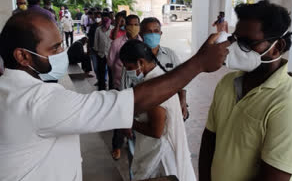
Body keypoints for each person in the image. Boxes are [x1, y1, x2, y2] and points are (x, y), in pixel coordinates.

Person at [0, 11, 229, 181]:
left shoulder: (9, 90)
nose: (63, 53)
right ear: (23, 56)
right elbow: (131, 102)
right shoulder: (37, 102)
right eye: (55, 48)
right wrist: (199, 63)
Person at [199, 0, 292, 181]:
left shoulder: (288, 105)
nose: (237, 48)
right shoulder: (228, 83)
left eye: (249, 43)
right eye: (236, 40)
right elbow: (209, 140)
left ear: (277, 48)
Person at [120, 40, 196, 181]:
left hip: (161, 158)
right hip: (162, 151)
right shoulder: (159, 77)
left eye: (129, 67)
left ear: (141, 62)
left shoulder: (154, 88)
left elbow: (156, 131)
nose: (128, 71)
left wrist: (128, 122)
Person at [107, 15, 142, 160]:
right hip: (119, 85)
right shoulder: (117, 43)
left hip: (138, 86)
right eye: (130, 24)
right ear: (125, 26)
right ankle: (117, 146)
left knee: (136, 115)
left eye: (136, 24)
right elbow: (110, 62)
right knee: (120, 116)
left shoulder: (143, 42)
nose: (133, 27)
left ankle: (134, 140)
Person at [94, 12, 113, 90]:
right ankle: (101, 87)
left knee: (111, 73)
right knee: (101, 72)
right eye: (103, 18)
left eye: (107, 18)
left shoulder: (113, 29)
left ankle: (112, 87)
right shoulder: (98, 29)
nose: (105, 20)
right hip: (101, 54)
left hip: (110, 54)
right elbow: (96, 41)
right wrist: (97, 51)